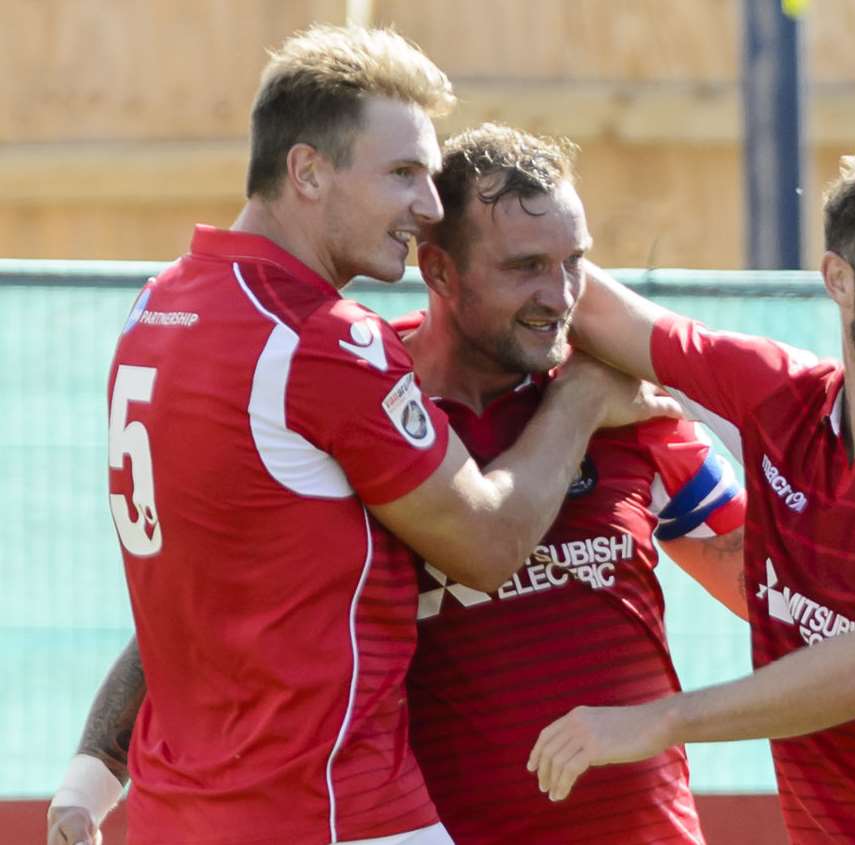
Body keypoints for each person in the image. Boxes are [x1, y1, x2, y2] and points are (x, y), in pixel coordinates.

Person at [47, 25, 676, 845]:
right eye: (404, 173)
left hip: (180, 815)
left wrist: (89, 775)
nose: (431, 206)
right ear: (307, 171)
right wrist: (586, 394)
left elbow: (206, 584)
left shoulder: (161, 306)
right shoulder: (320, 340)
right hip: (331, 813)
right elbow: (486, 542)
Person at [527, 142, 855, 844]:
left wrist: (659, 718)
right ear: (840, 279)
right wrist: (443, 200)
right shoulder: (779, 398)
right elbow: (598, 311)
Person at [401, 123, 746, 844]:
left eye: (575, 263)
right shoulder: (366, 401)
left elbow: (758, 577)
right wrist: (98, 770)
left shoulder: (627, 400)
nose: (558, 296)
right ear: (439, 271)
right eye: (526, 266)